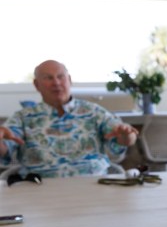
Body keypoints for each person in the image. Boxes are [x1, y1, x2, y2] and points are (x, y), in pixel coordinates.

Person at [0, 60, 138, 178]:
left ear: (70, 80)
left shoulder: (94, 111)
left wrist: (127, 135)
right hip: (39, 189)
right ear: (36, 85)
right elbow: (5, 148)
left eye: (61, 76)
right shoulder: (22, 117)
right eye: (48, 78)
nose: (56, 82)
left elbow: (124, 140)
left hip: (93, 185)